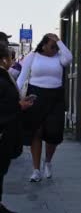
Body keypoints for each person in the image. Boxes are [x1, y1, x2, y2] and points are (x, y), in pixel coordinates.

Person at [17, 33, 73, 182]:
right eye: (52, 46)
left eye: (56, 47)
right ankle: (36, 170)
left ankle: (47, 161)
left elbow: (69, 58)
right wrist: (14, 96)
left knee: (53, 134)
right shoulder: (32, 56)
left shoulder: (59, 57)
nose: (55, 49)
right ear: (43, 46)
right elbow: (22, 77)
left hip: (55, 97)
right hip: (36, 94)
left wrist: (59, 41)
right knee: (36, 131)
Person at [0, 42, 34, 213]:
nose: (12, 62)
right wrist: (18, 105)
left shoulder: (4, 76)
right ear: (4, 58)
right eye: (10, 58)